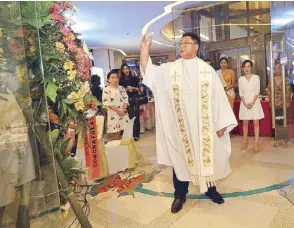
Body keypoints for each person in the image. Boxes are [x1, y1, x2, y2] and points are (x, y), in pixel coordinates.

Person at [140, 32, 237, 213]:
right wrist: (145, 49)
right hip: (181, 125)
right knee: (180, 158)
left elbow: (218, 98)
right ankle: (180, 194)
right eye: (181, 42)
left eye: (186, 42)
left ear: (196, 46)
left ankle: (210, 189)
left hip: (203, 126)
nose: (182, 45)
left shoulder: (207, 71)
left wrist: (222, 123)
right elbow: (149, 72)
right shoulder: (170, 69)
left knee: (206, 156)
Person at [239, 60, 264, 152]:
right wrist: (245, 103)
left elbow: (257, 91)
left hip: (255, 103)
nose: (246, 68)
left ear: (251, 67)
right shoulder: (241, 79)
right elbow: (241, 93)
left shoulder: (256, 77)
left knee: (256, 123)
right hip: (244, 103)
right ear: (242, 68)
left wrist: (252, 103)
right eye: (244, 66)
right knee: (245, 124)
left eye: (248, 66)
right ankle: (245, 141)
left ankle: (256, 143)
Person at [267, 60, 292, 148]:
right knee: (277, 123)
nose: (276, 70)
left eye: (278, 68)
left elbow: (288, 92)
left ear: (282, 69)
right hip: (275, 104)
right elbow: (269, 92)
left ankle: (284, 141)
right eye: (275, 68)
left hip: (285, 104)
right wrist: (272, 102)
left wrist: (282, 101)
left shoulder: (286, 79)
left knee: (284, 122)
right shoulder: (271, 79)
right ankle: (278, 140)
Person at [102, 70, 129, 140]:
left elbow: (126, 99)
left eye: (116, 77)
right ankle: (116, 149)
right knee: (116, 133)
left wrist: (124, 108)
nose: (115, 79)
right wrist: (118, 110)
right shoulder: (106, 90)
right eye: (112, 78)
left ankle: (123, 149)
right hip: (113, 114)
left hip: (123, 112)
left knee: (126, 132)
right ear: (108, 79)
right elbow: (107, 103)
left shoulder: (122, 88)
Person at [119, 63, 140, 141]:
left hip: (134, 98)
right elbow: (119, 90)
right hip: (126, 101)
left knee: (136, 117)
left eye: (127, 68)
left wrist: (134, 88)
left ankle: (136, 135)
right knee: (128, 117)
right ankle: (129, 134)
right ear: (122, 70)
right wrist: (126, 89)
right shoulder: (120, 80)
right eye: (124, 68)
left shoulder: (134, 78)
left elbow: (139, 88)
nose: (126, 70)